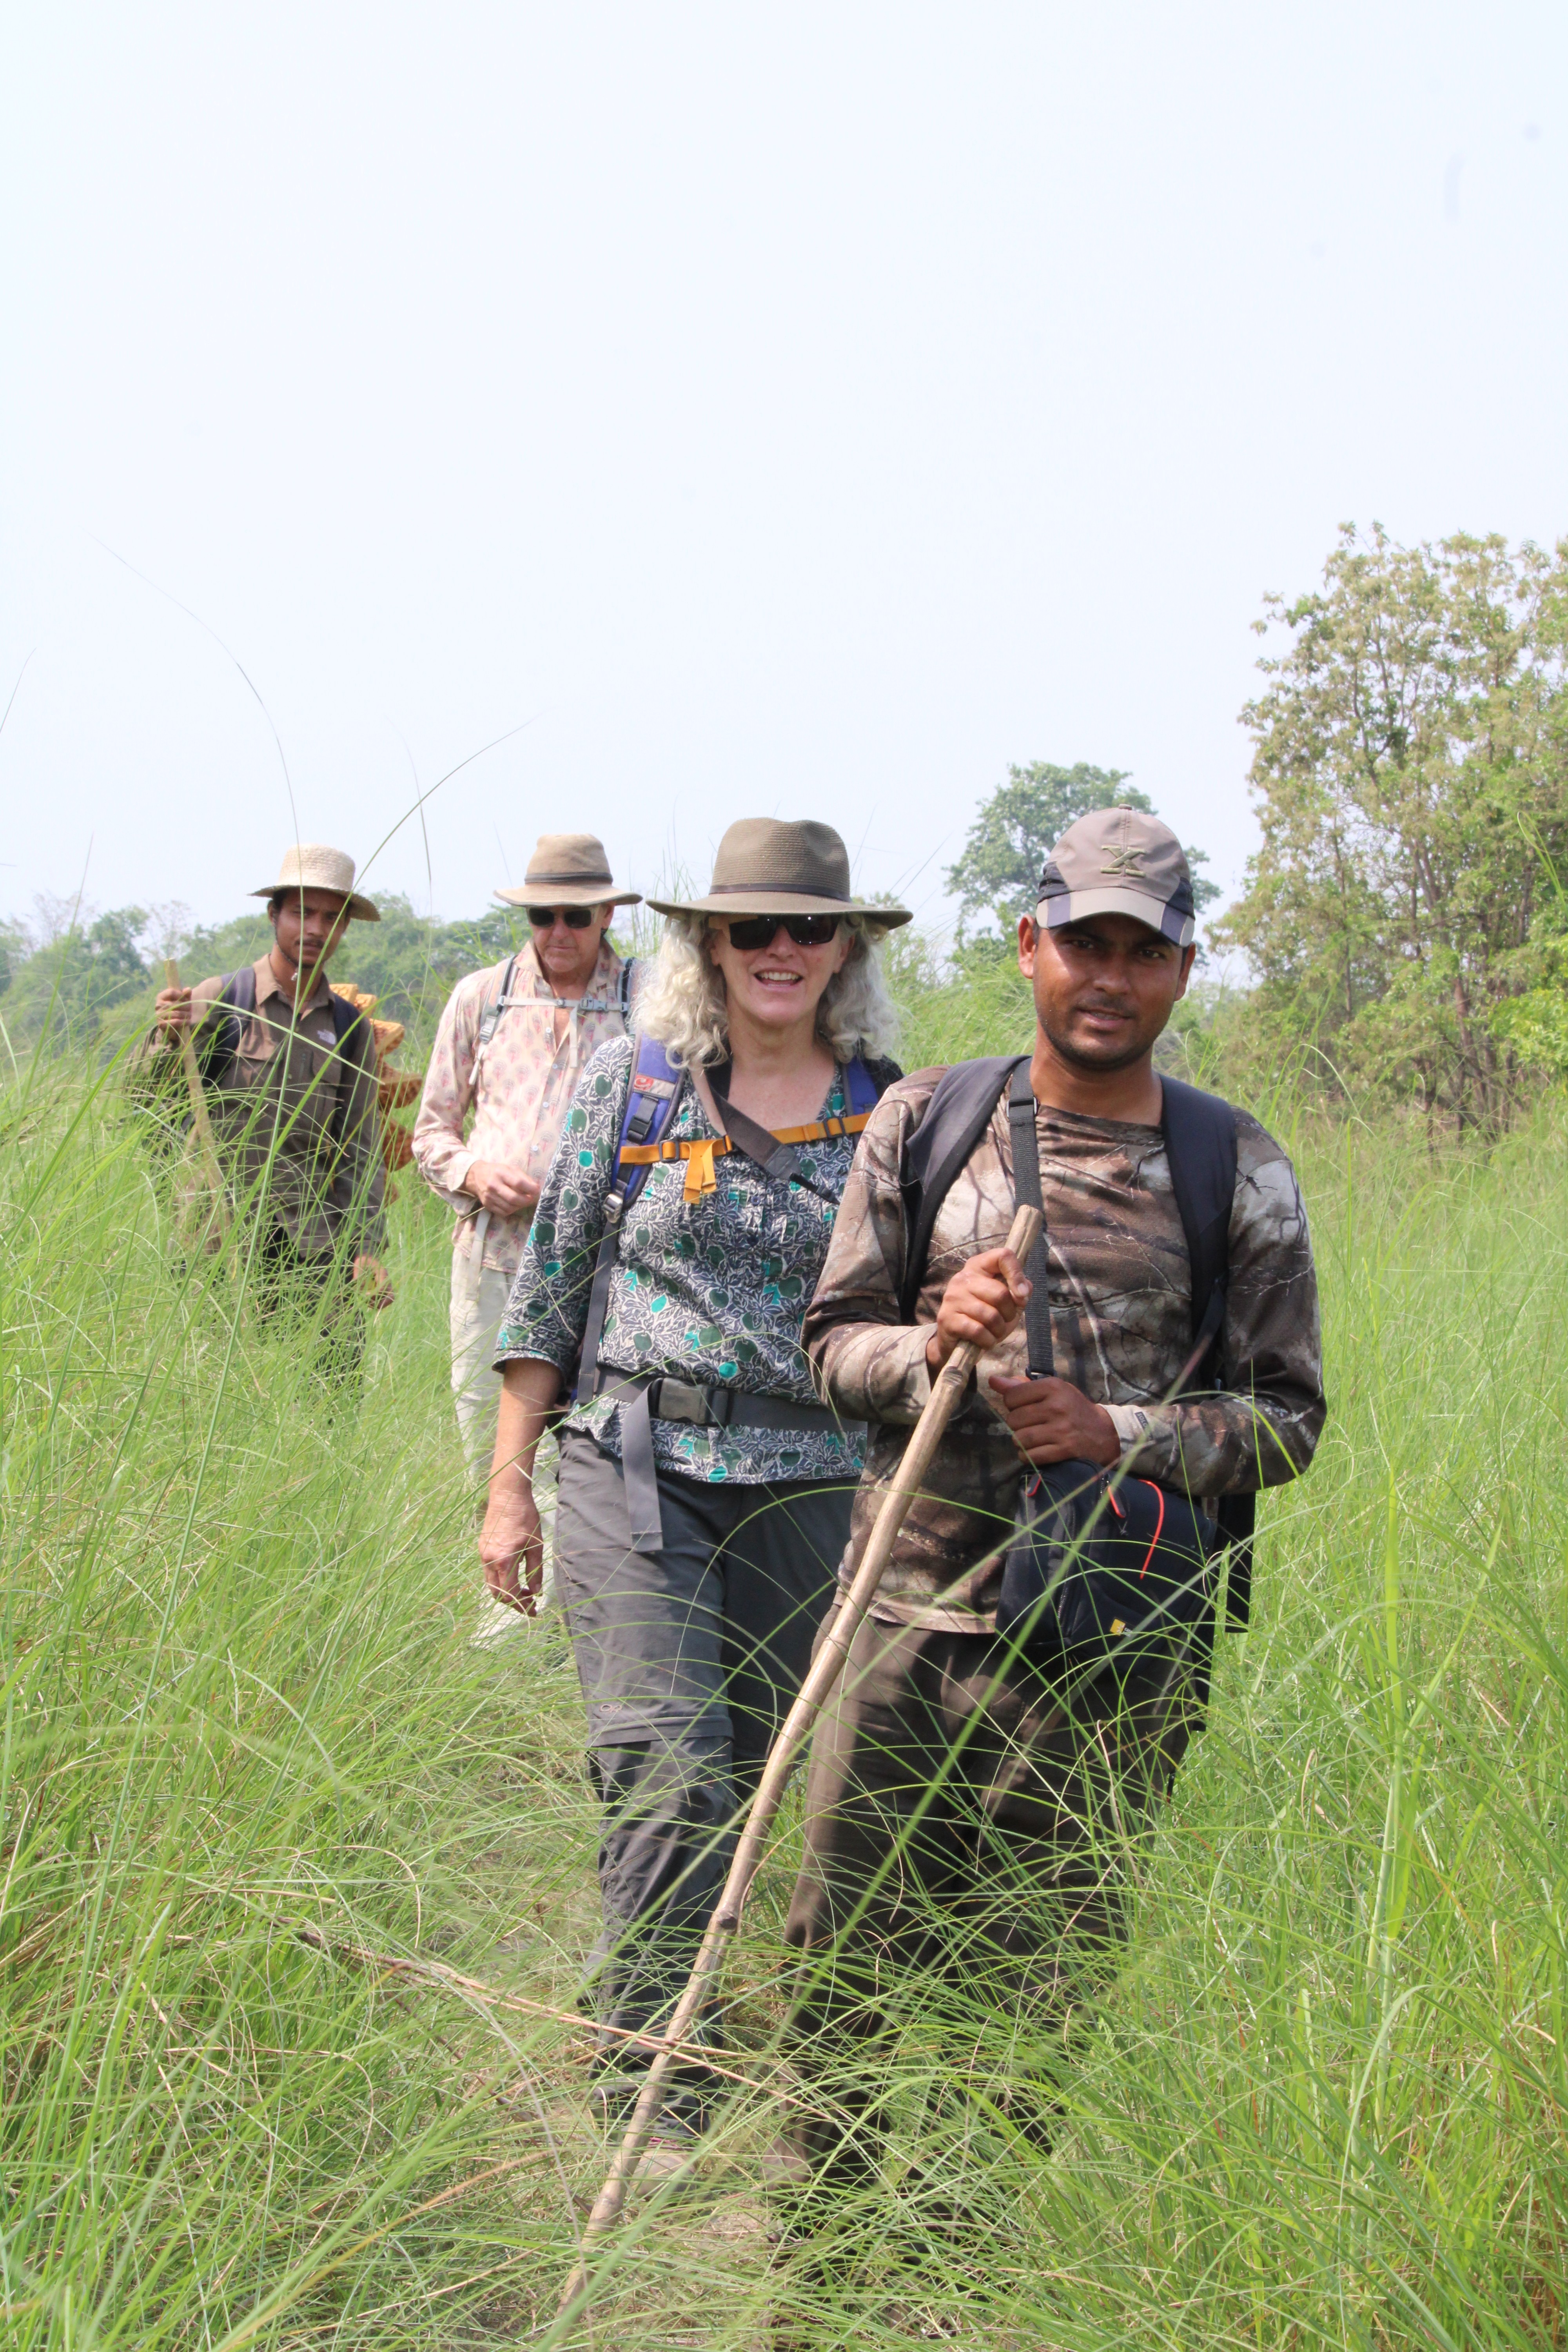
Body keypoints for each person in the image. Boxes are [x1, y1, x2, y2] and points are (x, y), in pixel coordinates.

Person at [780, 806, 1325, 2201]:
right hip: (902, 1624)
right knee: (837, 1968)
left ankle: (975, 2279)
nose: (1109, 975)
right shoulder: (926, 1122)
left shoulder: (1234, 1167)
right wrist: (934, 1349)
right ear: (1029, 946)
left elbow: (1286, 1419)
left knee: (1035, 2000)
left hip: (1107, 1655)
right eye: (1084, 941)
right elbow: (832, 1344)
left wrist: (1118, 1433)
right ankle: (820, 2268)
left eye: (1143, 950)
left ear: (1183, 972)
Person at [478, 818, 908, 2143]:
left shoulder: (894, 1109)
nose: (781, 951)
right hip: (632, 1466)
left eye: (808, 928)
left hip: (810, 1491)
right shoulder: (634, 1083)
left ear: (844, 950)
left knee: (747, 1782)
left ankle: (697, 2030)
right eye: (752, 928)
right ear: (707, 944)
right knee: (666, 1770)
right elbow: (548, 1290)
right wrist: (507, 1487)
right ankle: (649, 2097)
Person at [412, 833, 644, 1496]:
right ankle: (497, 1600)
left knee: (593, 1454)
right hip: (495, 1260)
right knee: (491, 1453)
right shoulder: (483, 1000)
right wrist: (476, 1175)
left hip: (606, 1268)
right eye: (544, 916)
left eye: (577, 915)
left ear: (607, 915)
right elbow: (431, 1131)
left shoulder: (643, 1001)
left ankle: (579, 1598)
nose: (559, 931)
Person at [138, 843, 391, 1376]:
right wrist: (164, 1039)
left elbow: (361, 1149)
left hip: (313, 1242)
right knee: (211, 1389)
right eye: (303, 912)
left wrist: (366, 1246)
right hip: (216, 1237)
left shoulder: (348, 1029)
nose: (316, 928)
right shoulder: (219, 998)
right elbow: (143, 1098)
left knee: (330, 1397)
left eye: (332, 917)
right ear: (274, 914)